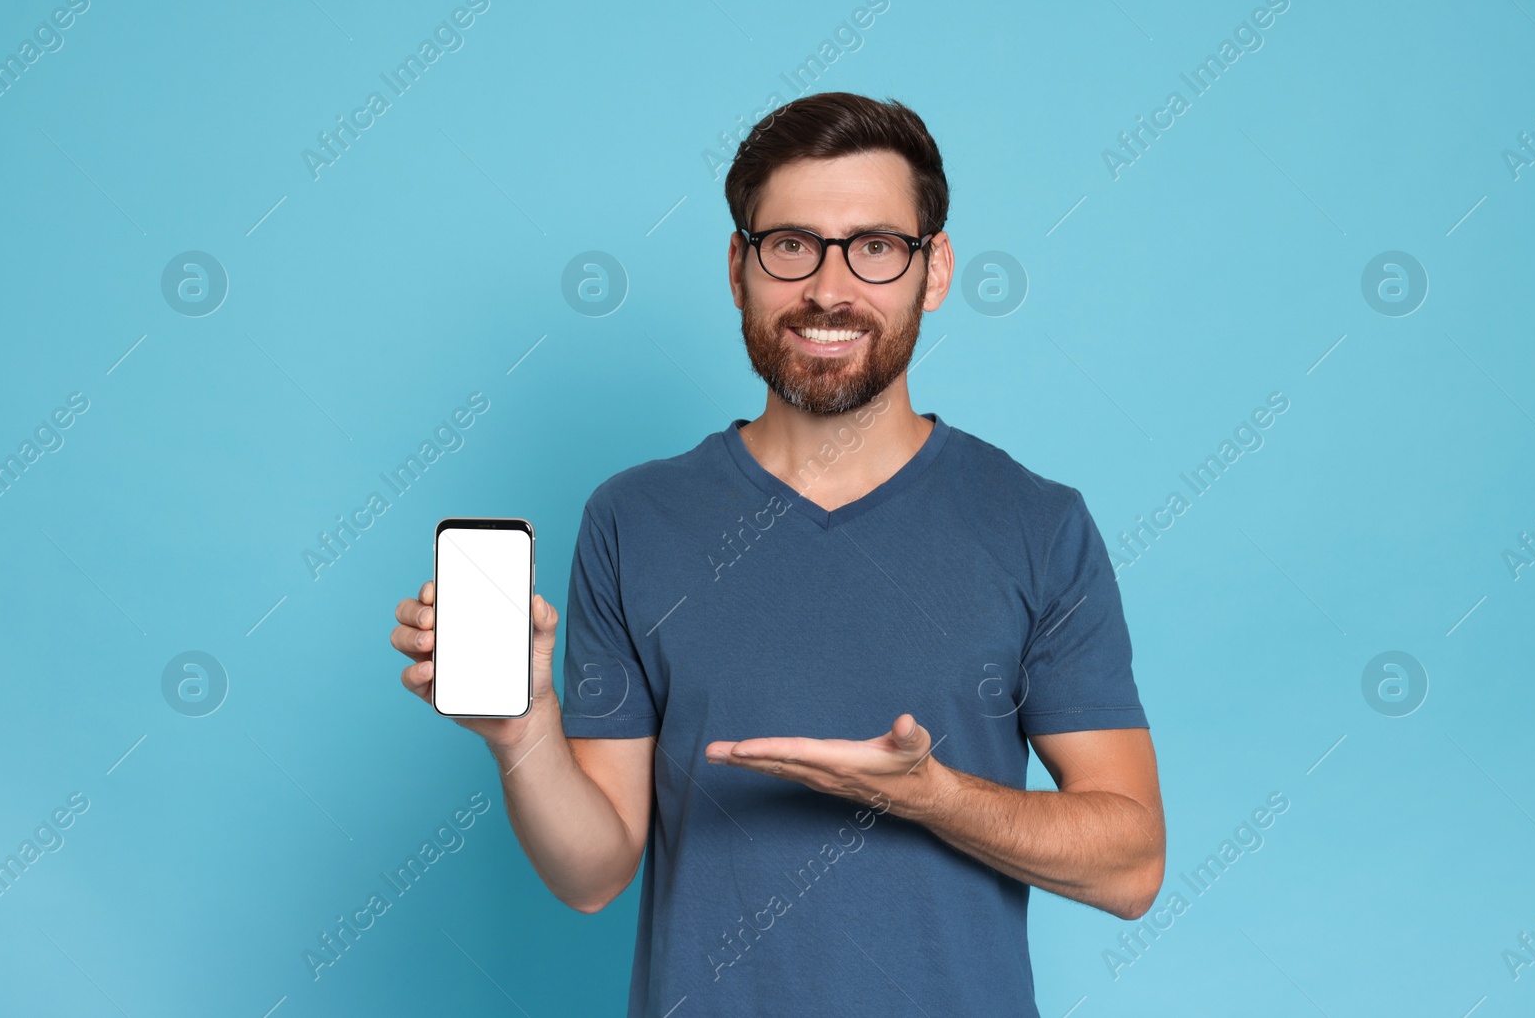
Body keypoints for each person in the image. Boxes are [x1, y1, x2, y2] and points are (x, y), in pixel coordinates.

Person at [391, 91, 1165, 1016]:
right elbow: (593, 872)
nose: (829, 289)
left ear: (936, 268)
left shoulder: (1037, 524)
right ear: (737, 267)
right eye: (790, 245)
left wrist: (933, 796)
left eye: (875, 247)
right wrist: (523, 732)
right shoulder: (633, 520)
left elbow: (1132, 866)